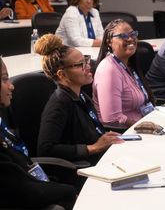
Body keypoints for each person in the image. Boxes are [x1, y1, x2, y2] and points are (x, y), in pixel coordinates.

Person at [0, 57, 77, 210]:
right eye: (4, 79)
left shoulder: (4, 121)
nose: (11, 87)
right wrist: (70, 191)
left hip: (34, 186)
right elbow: (19, 188)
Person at [35, 34, 123, 166]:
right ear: (62, 74)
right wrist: (93, 148)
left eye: (86, 60)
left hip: (101, 159)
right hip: (82, 168)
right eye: (80, 65)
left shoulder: (80, 94)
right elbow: (45, 149)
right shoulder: (59, 103)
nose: (88, 67)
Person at [93, 19, 155, 127]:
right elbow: (112, 118)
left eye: (133, 34)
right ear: (109, 41)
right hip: (125, 134)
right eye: (123, 36)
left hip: (142, 126)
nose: (130, 39)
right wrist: (141, 126)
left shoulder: (129, 64)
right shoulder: (109, 69)